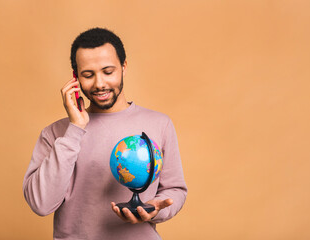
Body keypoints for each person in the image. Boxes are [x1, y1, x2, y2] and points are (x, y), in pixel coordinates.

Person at [23, 27, 187, 240]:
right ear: (75, 78)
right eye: (88, 75)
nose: (99, 84)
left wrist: (157, 209)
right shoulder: (56, 133)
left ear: (124, 67)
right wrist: (75, 129)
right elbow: (41, 204)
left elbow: (175, 189)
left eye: (108, 72)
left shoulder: (159, 124)